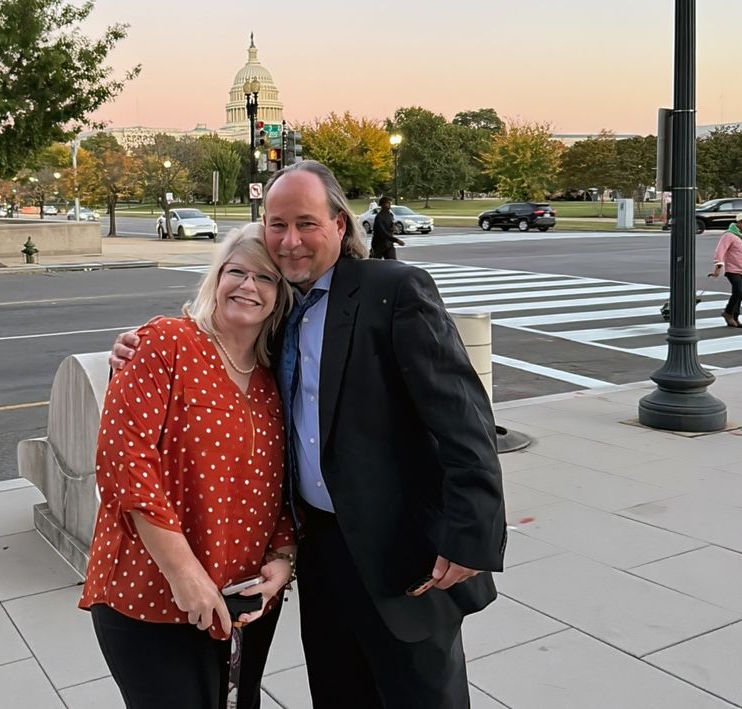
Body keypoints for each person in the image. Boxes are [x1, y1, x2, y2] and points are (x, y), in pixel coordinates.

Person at [113, 161, 505, 708]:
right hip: (322, 552)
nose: (289, 241)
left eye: (306, 223)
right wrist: (133, 349)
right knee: (339, 690)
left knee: (421, 695)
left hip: (403, 554)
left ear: (340, 226)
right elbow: (221, 350)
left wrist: (471, 535)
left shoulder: (392, 290)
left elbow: (464, 419)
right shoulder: (281, 305)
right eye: (277, 225)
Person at [81, 223, 297, 709]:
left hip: (244, 600)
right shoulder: (166, 344)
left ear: (281, 296)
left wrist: (283, 561)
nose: (246, 285)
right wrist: (185, 575)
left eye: (264, 278)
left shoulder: (272, 380)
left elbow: (283, 485)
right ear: (215, 279)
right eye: (235, 271)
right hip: (153, 593)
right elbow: (124, 461)